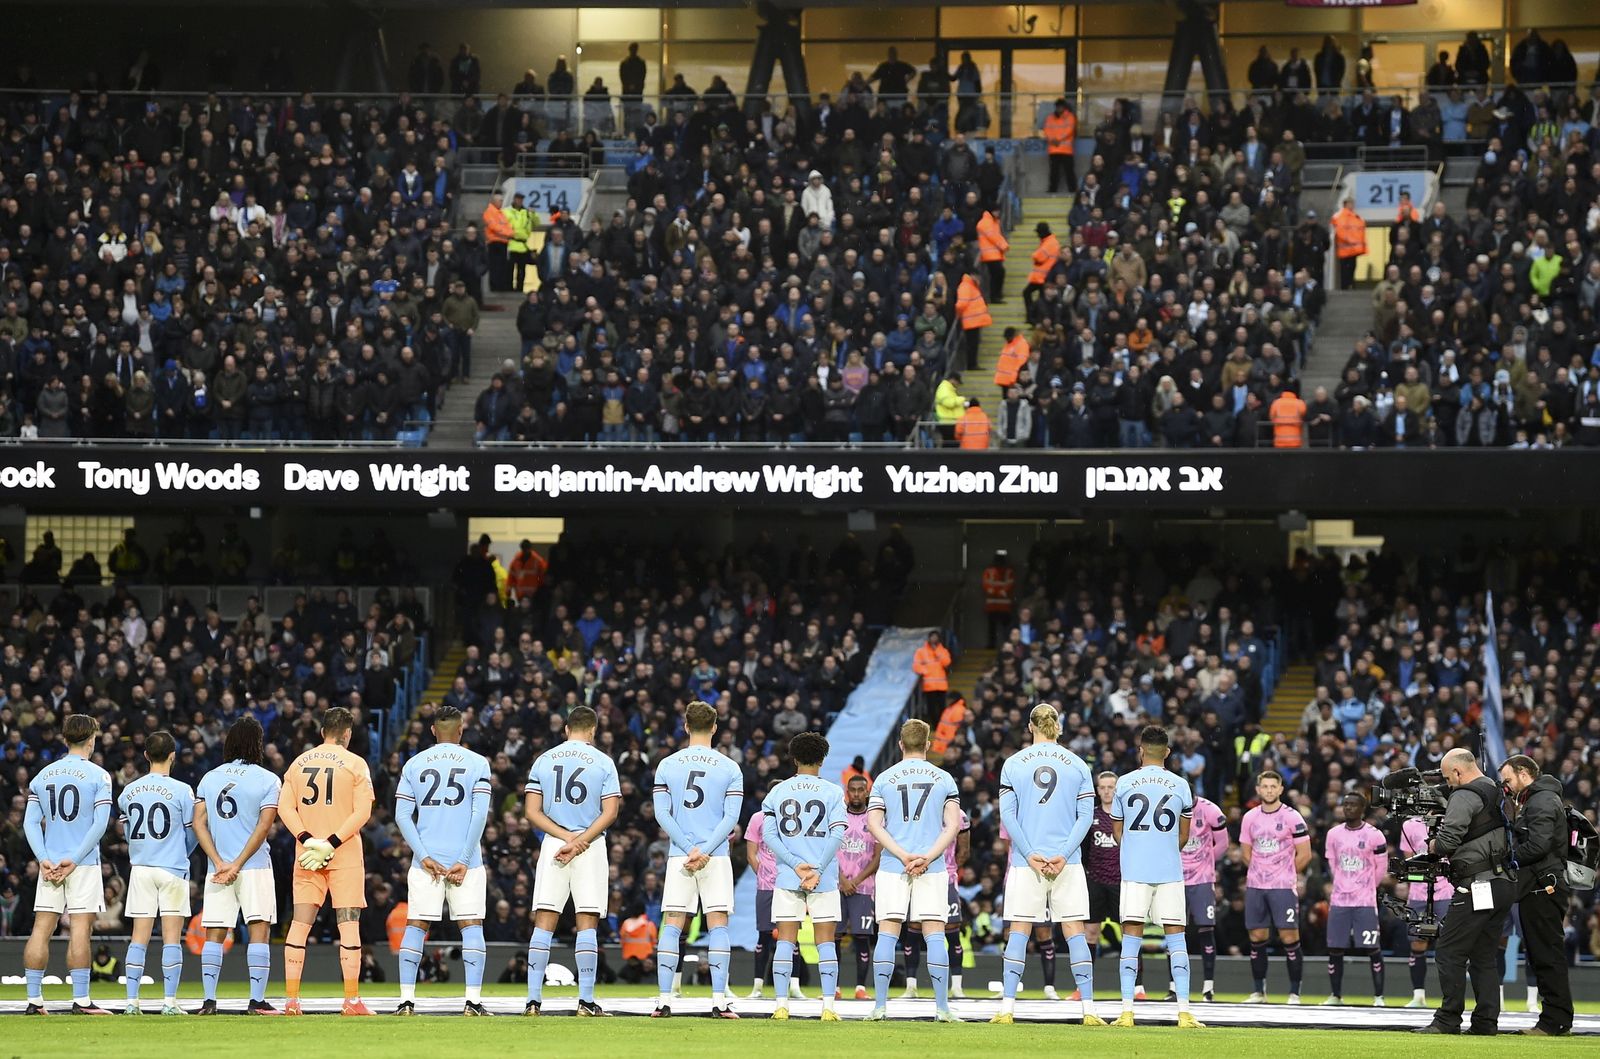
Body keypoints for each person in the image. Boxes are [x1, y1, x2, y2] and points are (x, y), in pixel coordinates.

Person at [991, 705, 1097, 1026]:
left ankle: (1007, 1008)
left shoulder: (1013, 763)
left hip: (1027, 862)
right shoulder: (1078, 764)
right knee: (1075, 931)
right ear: (1058, 727)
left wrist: (1029, 853)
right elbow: (1085, 817)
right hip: (1068, 862)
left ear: (1030, 727)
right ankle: (1089, 1010)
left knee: (1019, 931)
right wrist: (1063, 854)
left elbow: (1008, 816)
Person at [392, 705, 493, 1016]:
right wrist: (463, 858)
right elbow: (479, 815)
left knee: (416, 925)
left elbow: (402, 816)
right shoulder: (477, 763)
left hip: (426, 861)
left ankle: (406, 1001)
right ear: (461, 730)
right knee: (471, 925)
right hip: (467, 861)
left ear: (433, 730)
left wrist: (423, 856)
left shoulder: (414, 764)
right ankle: (472, 1002)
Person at [276, 706, 375, 1016]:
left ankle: (292, 1001)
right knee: (348, 925)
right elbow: (363, 812)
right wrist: (331, 843)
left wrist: (308, 840)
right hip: (344, 854)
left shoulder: (298, 763)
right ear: (347, 734)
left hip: (307, 856)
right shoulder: (356, 764)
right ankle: (352, 1001)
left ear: (322, 732)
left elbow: (284, 808)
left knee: (300, 924)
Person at [522, 705, 620, 1017]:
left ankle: (533, 1001)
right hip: (590, 845)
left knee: (544, 920)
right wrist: (580, 840)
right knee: (587, 920)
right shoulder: (603, 762)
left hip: (555, 843)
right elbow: (611, 812)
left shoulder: (545, 759)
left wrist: (565, 837)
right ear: (593, 730)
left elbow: (531, 811)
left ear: (566, 729)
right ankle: (585, 1001)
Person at [865, 719, 963, 1023]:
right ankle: (942, 1009)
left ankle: (880, 1007)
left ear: (900, 744)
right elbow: (953, 826)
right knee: (935, 933)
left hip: (894, 865)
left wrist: (903, 855)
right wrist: (927, 857)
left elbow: (873, 824)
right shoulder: (944, 778)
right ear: (928, 744)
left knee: (888, 931)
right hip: (931, 866)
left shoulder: (884, 778)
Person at [651, 700, 744, 1019]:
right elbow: (730, 818)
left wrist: (689, 847)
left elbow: (662, 814)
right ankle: (719, 1001)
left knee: (673, 924)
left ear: (686, 726)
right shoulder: (730, 767)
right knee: (718, 924)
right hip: (715, 856)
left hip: (681, 856)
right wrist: (705, 850)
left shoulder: (667, 765)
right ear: (715, 727)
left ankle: (663, 1000)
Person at [1415, 748, 1514, 1035]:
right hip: (1504, 882)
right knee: (1483, 955)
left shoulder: (1464, 794)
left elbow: (1447, 842)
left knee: (1449, 951)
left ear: (1458, 772)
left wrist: (1432, 845)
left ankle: (1448, 1020)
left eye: (1448, 778)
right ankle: (1485, 1023)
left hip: (1477, 883)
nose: (1449, 784)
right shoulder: (1496, 789)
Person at [1110, 726, 1201, 1029]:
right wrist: (1163, 850)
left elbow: (1118, 832)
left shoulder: (1124, 782)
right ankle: (1184, 1012)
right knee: (1176, 939)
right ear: (1167, 752)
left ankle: (1127, 1012)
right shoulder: (1181, 785)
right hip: (1169, 871)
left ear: (1140, 750)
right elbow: (1184, 835)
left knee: (1130, 939)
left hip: (1135, 871)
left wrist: (1136, 850)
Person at [22, 713, 113, 1014]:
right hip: (81, 864)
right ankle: (81, 1000)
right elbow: (99, 825)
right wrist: (73, 860)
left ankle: (34, 1001)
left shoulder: (42, 776)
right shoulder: (99, 776)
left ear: (65, 739)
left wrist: (43, 859)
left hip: (50, 864)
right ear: (91, 740)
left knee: (41, 928)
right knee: (80, 929)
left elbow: (30, 823)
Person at [192, 716, 280, 1015]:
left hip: (218, 869)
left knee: (215, 933)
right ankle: (256, 1001)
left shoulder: (210, 778)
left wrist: (220, 862)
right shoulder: (268, 779)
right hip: (254, 866)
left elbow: (198, 823)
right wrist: (238, 864)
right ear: (258, 743)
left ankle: (209, 1001)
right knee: (259, 930)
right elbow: (264, 827)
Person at [762, 732, 848, 1021]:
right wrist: (817, 869)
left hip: (789, 876)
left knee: (785, 941)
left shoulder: (777, 792)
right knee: (826, 941)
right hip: (824, 877)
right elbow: (837, 834)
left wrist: (796, 865)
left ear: (794, 758)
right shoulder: (833, 792)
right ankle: (828, 1007)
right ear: (822, 760)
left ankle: (781, 1005)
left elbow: (769, 836)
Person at [117, 730, 196, 1016]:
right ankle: (169, 1002)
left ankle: (131, 1001)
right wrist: (181, 853)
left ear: (146, 755)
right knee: (171, 937)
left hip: (141, 869)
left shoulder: (128, 791)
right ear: (173, 756)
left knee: (139, 937)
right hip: (172, 868)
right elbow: (193, 833)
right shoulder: (183, 790)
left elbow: (127, 833)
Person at [1499, 754, 1572, 1036]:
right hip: (1540, 886)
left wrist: (1508, 860)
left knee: (1546, 954)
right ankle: (1556, 1019)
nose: (1506, 786)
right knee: (1543, 953)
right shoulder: (1539, 798)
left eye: (1508, 779)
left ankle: (1555, 1021)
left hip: (1543, 887)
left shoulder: (1541, 800)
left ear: (1523, 773)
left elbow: (1539, 845)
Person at [1239, 770, 1311, 1004]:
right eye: (1265, 786)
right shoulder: (1249, 817)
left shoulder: (1292, 817)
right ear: (1258, 790)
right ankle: (1259, 992)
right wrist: (1262, 871)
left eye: (1273, 786)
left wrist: (1284, 874)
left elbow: (1305, 854)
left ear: (1280, 789)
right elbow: (1245, 853)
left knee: (1289, 936)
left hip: (1282, 887)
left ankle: (1294, 993)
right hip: (1256, 885)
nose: (1269, 790)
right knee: (1257, 936)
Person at [1321, 793, 1387, 1007]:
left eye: (1353, 805)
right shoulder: (1333, 834)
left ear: (1362, 809)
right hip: (1340, 900)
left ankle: (1379, 997)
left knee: (1372, 948)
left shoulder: (1375, 835)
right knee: (1335, 948)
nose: (1348, 808)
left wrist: (1367, 887)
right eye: (1346, 804)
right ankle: (1335, 996)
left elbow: (1381, 868)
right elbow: (1332, 864)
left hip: (1365, 902)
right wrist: (1342, 884)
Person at [1399, 813, 1452, 1007]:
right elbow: (1410, 861)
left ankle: (1449, 996)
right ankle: (1418, 995)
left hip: (1446, 891)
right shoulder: (1409, 825)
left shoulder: (1451, 821)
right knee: (1417, 944)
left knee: (1448, 946)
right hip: (1418, 893)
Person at [1181, 792, 1228, 1001]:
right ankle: (1175, 988)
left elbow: (1223, 844)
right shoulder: (1168, 807)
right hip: (1176, 878)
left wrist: (1205, 861)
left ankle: (1208, 988)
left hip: (1202, 879)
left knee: (1206, 929)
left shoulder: (1210, 810)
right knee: (1174, 931)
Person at [839, 775, 881, 1000]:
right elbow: (827, 851)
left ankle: (860, 988)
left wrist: (855, 881)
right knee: (834, 936)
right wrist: (842, 880)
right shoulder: (837, 816)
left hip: (863, 888)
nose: (856, 794)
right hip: (837, 886)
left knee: (861, 937)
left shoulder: (875, 820)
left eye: (860, 790)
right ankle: (834, 988)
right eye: (852, 790)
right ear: (847, 792)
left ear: (867, 792)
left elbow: (877, 857)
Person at [912, 630, 952, 718]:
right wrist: (925, 671)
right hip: (929, 686)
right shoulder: (921, 651)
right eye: (932, 637)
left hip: (941, 686)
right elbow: (916, 666)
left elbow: (947, 662)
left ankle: (940, 723)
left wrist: (937, 652)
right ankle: (935, 723)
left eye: (936, 637)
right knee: (931, 708)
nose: (934, 639)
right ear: (929, 638)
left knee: (942, 707)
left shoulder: (943, 651)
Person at [1042, 99, 1078, 194]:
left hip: (1066, 150)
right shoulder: (1050, 118)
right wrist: (1052, 139)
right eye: (1057, 107)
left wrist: (1056, 139)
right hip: (1054, 150)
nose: (1059, 108)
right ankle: (1052, 190)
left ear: (1064, 107)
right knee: (1054, 171)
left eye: (1061, 106)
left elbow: (1070, 130)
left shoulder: (1070, 117)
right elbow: (1046, 130)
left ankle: (1073, 190)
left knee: (1069, 171)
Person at [981, 551, 1015, 648]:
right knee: (993, 627)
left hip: (1001, 604)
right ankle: (993, 645)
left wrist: (995, 589)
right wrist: (1000, 590)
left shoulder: (1008, 571)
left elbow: (1009, 585)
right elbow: (986, 585)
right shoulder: (990, 571)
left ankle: (1006, 644)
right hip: (996, 604)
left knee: (1004, 627)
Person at [1331, 196, 1366, 290]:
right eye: (1350, 203)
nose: (1352, 205)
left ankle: (1350, 285)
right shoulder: (1338, 216)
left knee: (1352, 269)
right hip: (1344, 250)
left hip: (1353, 250)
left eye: (1352, 203)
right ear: (1345, 204)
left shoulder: (1356, 217)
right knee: (1345, 270)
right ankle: (1345, 286)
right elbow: (1339, 230)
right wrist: (1349, 240)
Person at [482, 191, 512, 292]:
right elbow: (494, 227)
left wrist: (506, 233)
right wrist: (506, 233)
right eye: (500, 200)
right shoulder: (489, 212)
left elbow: (509, 228)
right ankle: (495, 287)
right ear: (494, 201)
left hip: (503, 243)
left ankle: (501, 286)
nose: (501, 202)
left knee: (502, 266)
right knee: (495, 266)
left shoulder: (501, 214)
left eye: (502, 200)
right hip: (494, 243)